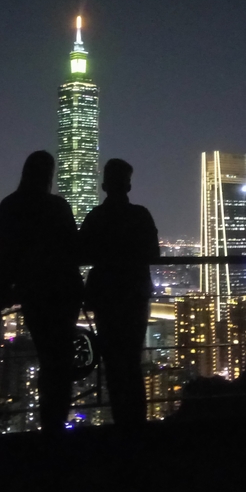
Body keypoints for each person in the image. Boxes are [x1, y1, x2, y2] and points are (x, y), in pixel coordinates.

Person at [0, 151, 83, 432]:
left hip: (31, 293)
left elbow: (4, 256)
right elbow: (74, 248)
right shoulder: (56, 207)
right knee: (60, 361)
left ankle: (49, 425)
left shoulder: (7, 207)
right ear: (48, 175)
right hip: (63, 292)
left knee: (48, 357)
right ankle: (55, 422)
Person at [79, 159, 159, 426]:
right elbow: (153, 253)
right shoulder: (141, 215)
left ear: (104, 185)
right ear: (128, 184)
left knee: (113, 363)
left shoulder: (96, 217)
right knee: (132, 361)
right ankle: (137, 423)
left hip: (106, 296)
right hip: (135, 294)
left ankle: (121, 423)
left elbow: (81, 252)